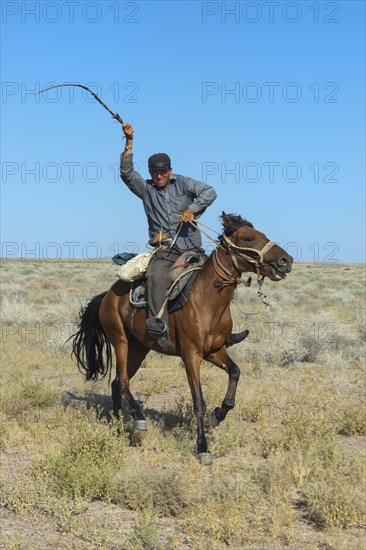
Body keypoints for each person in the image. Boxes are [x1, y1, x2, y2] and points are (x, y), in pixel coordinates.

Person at [119, 122, 217, 348]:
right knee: (157, 276)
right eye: (155, 171)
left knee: (218, 279)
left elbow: (210, 192)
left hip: (193, 247)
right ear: (150, 173)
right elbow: (126, 173)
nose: (159, 175)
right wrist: (129, 141)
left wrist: (192, 209)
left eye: (163, 171)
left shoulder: (183, 184)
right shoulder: (146, 190)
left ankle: (221, 331)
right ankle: (158, 325)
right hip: (165, 250)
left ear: (170, 170)